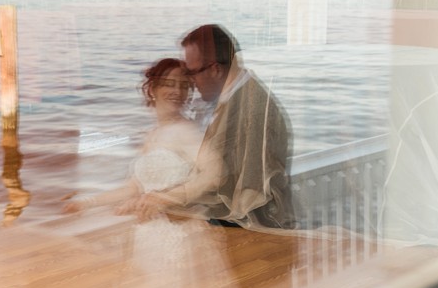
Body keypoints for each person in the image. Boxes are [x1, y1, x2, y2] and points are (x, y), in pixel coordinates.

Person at [119, 24, 297, 230]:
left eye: (192, 73)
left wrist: (168, 198)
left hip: (252, 229)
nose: (190, 82)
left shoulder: (252, 110)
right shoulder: (228, 100)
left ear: (215, 69)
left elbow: (239, 187)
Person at [63, 58, 204, 212]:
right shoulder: (152, 134)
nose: (177, 92)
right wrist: (85, 203)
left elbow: (212, 176)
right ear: (152, 89)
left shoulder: (187, 131)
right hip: (151, 219)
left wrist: (166, 199)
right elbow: (132, 188)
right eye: (169, 84)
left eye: (184, 86)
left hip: (175, 221)